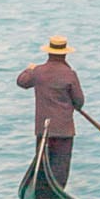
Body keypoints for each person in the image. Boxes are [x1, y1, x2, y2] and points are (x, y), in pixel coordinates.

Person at [17, 35, 85, 188]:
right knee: (60, 173)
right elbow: (79, 103)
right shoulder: (70, 74)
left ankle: (43, 193)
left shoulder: (38, 72)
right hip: (64, 131)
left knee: (42, 169)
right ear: (65, 53)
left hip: (44, 131)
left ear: (49, 52)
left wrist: (29, 69)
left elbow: (21, 81)